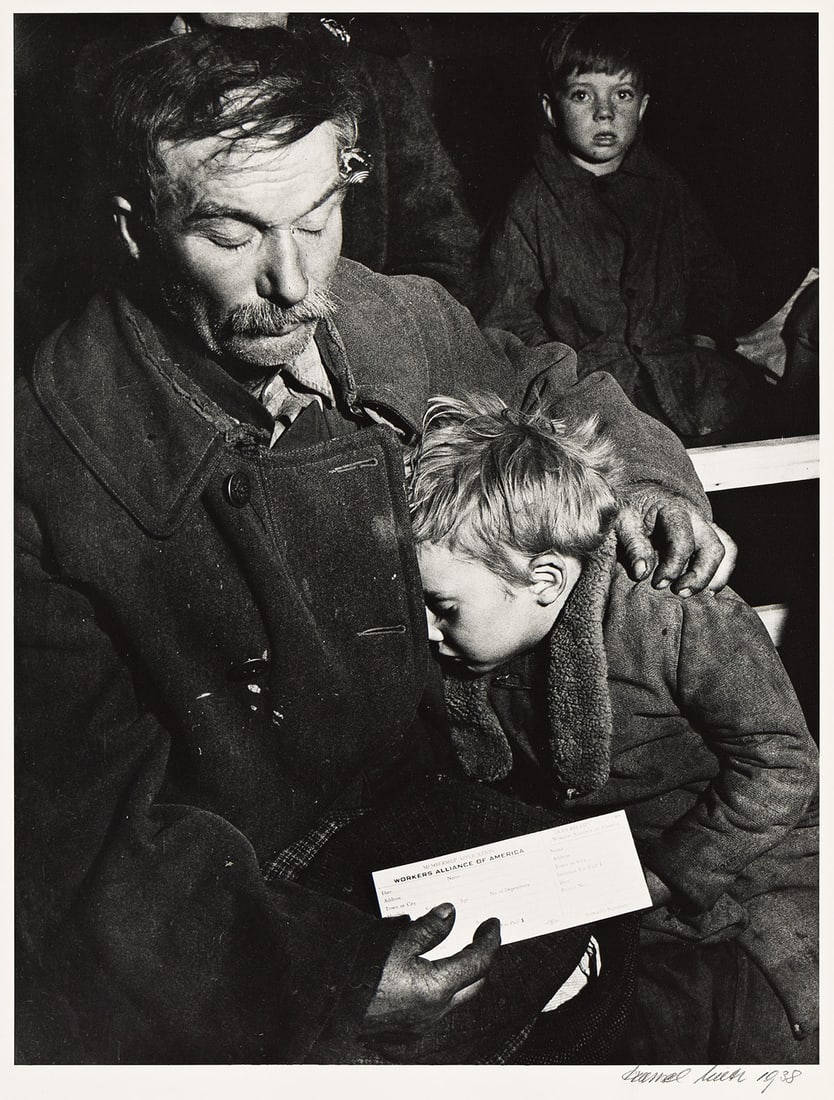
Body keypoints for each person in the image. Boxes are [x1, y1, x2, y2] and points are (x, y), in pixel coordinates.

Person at [16, 25, 734, 1064]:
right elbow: (78, 844)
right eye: (231, 233)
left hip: (428, 800)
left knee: (626, 966)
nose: (294, 277)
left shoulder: (382, 314)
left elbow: (540, 376)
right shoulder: (43, 465)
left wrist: (648, 476)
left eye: (319, 214)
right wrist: (328, 978)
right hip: (246, 889)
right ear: (135, 228)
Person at [407, 391, 818, 1063]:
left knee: (762, 1028)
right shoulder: (488, 636)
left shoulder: (675, 613)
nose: (426, 630)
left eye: (442, 607)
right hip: (609, 875)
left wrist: (668, 873)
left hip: (750, 860)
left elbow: (784, 765)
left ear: (544, 580)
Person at [477, 14, 767, 444]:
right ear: (550, 110)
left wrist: (703, 336)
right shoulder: (531, 202)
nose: (605, 112)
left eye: (623, 94)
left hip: (683, 377)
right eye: (581, 95)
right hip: (590, 396)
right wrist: (561, 376)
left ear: (643, 106)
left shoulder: (666, 187)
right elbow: (507, 315)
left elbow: (712, 269)